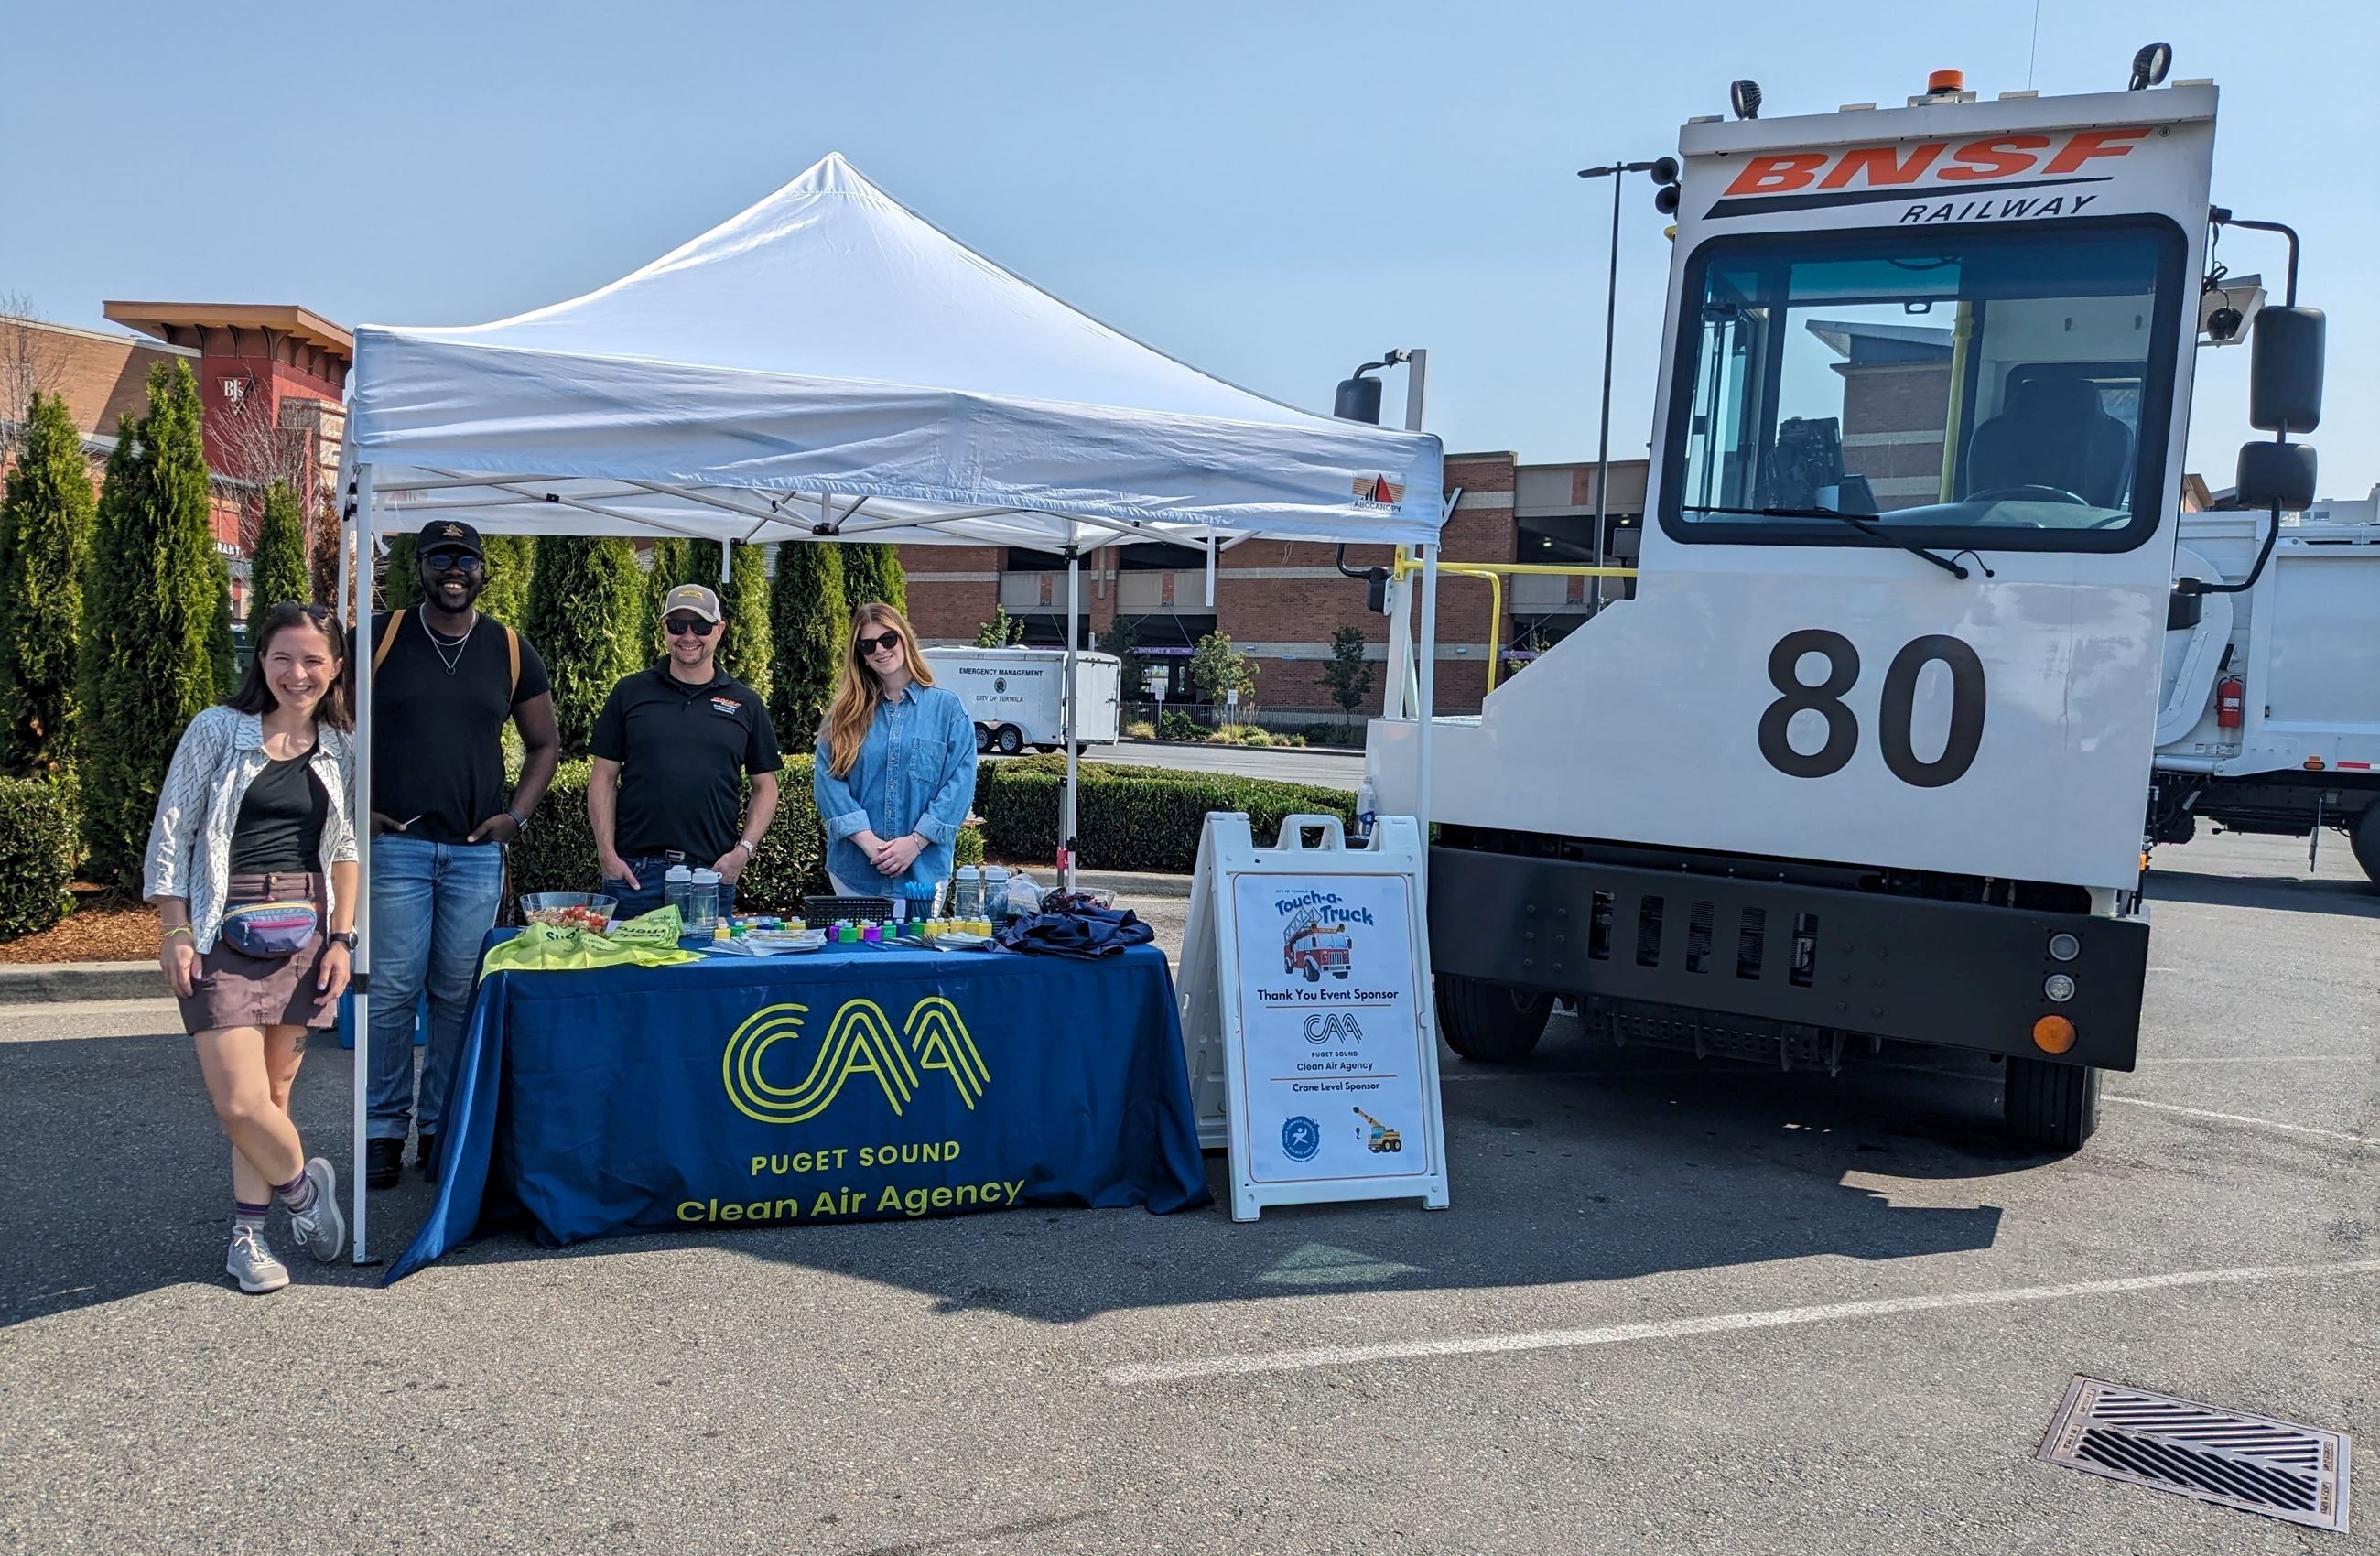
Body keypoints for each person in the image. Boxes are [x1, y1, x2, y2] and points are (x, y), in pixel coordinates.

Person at [145, 604, 359, 1293]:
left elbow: (348, 848)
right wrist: (174, 930)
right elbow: (172, 834)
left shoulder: (340, 747)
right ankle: (301, 1192)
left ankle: (249, 1237)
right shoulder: (217, 730)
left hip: (304, 927)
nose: (298, 674)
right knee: (239, 1102)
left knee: (274, 1091)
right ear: (260, 661)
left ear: (336, 668)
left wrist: (343, 939)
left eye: (313, 660)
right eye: (282, 658)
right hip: (221, 924)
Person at [366, 521, 560, 1189]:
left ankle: (440, 1128)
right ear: (418, 567)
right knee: (392, 993)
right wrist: (358, 808)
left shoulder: (508, 648)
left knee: (455, 995)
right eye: (440, 558)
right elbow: (330, 727)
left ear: (483, 570)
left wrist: (516, 815)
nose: (454, 570)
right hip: (398, 849)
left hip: (476, 854)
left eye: (466, 559)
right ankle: (381, 1131)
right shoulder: (380, 637)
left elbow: (545, 745)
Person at [591, 583, 782, 918]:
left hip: (709, 874)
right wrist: (606, 854)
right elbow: (603, 777)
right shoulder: (630, 692)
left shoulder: (745, 703)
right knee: (626, 969)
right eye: (678, 625)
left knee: (704, 970)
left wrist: (743, 852)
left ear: (719, 630)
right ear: (664, 628)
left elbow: (765, 787)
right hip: (634, 874)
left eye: (701, 626)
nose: (688, 635)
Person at [814, 602, 977, 920]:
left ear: (904, 639)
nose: (880, 650)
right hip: (855, 873)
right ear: (859, 653)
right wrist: (868, 842)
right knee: (859, 963)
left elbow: (960, 782)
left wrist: (915, 843)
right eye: (868, 644)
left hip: (924, 872)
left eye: (888, 639)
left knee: (915, 964)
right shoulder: (844, 716)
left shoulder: (947, 709)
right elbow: (828, 780)